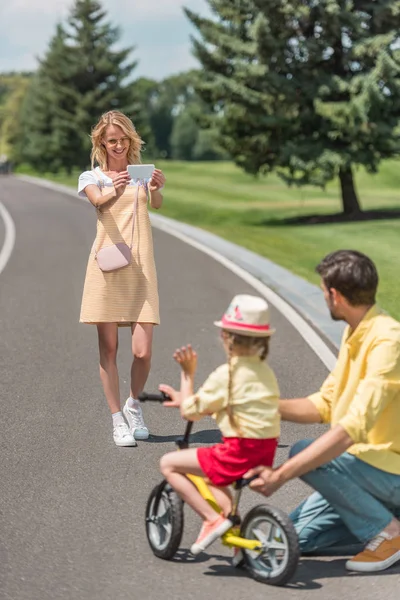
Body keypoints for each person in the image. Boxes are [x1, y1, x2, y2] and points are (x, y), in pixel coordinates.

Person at [246, 250, 400, 573]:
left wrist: (280, 476)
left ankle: (388, 532)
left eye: (323, 292)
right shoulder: (354, 331)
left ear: (335, 295)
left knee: (304, 451)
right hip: (360, 473)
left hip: (389, 473)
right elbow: (325, 404)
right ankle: (382, 519)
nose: (324, 299)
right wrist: (266, 407)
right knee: (289, 539)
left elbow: (350, 429)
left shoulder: (389, 342)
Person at [158, 294, 280, 555]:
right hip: (265, 452)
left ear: (226, 337)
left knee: (169, 463)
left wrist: (187, 375)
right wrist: (185, 399)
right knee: (214, 478)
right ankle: (233, 532)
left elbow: (191, 413)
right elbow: (232, 406)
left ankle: (211, 519)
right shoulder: (264, 372)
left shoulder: (226, 374)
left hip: (239, 452)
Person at [78, 110, 166, 447]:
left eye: (123, 139)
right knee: (110, 348)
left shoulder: (139, 174)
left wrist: (156, 187)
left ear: (130, 139)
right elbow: (99, 205)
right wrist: (112, 189)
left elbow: (155, 205)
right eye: (112, 140)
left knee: (142, 351)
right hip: (107, 269)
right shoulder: (92, 176)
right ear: (101, 142)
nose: (118, 145)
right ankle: (117, 419)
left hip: (141, 268)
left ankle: (134, 404)